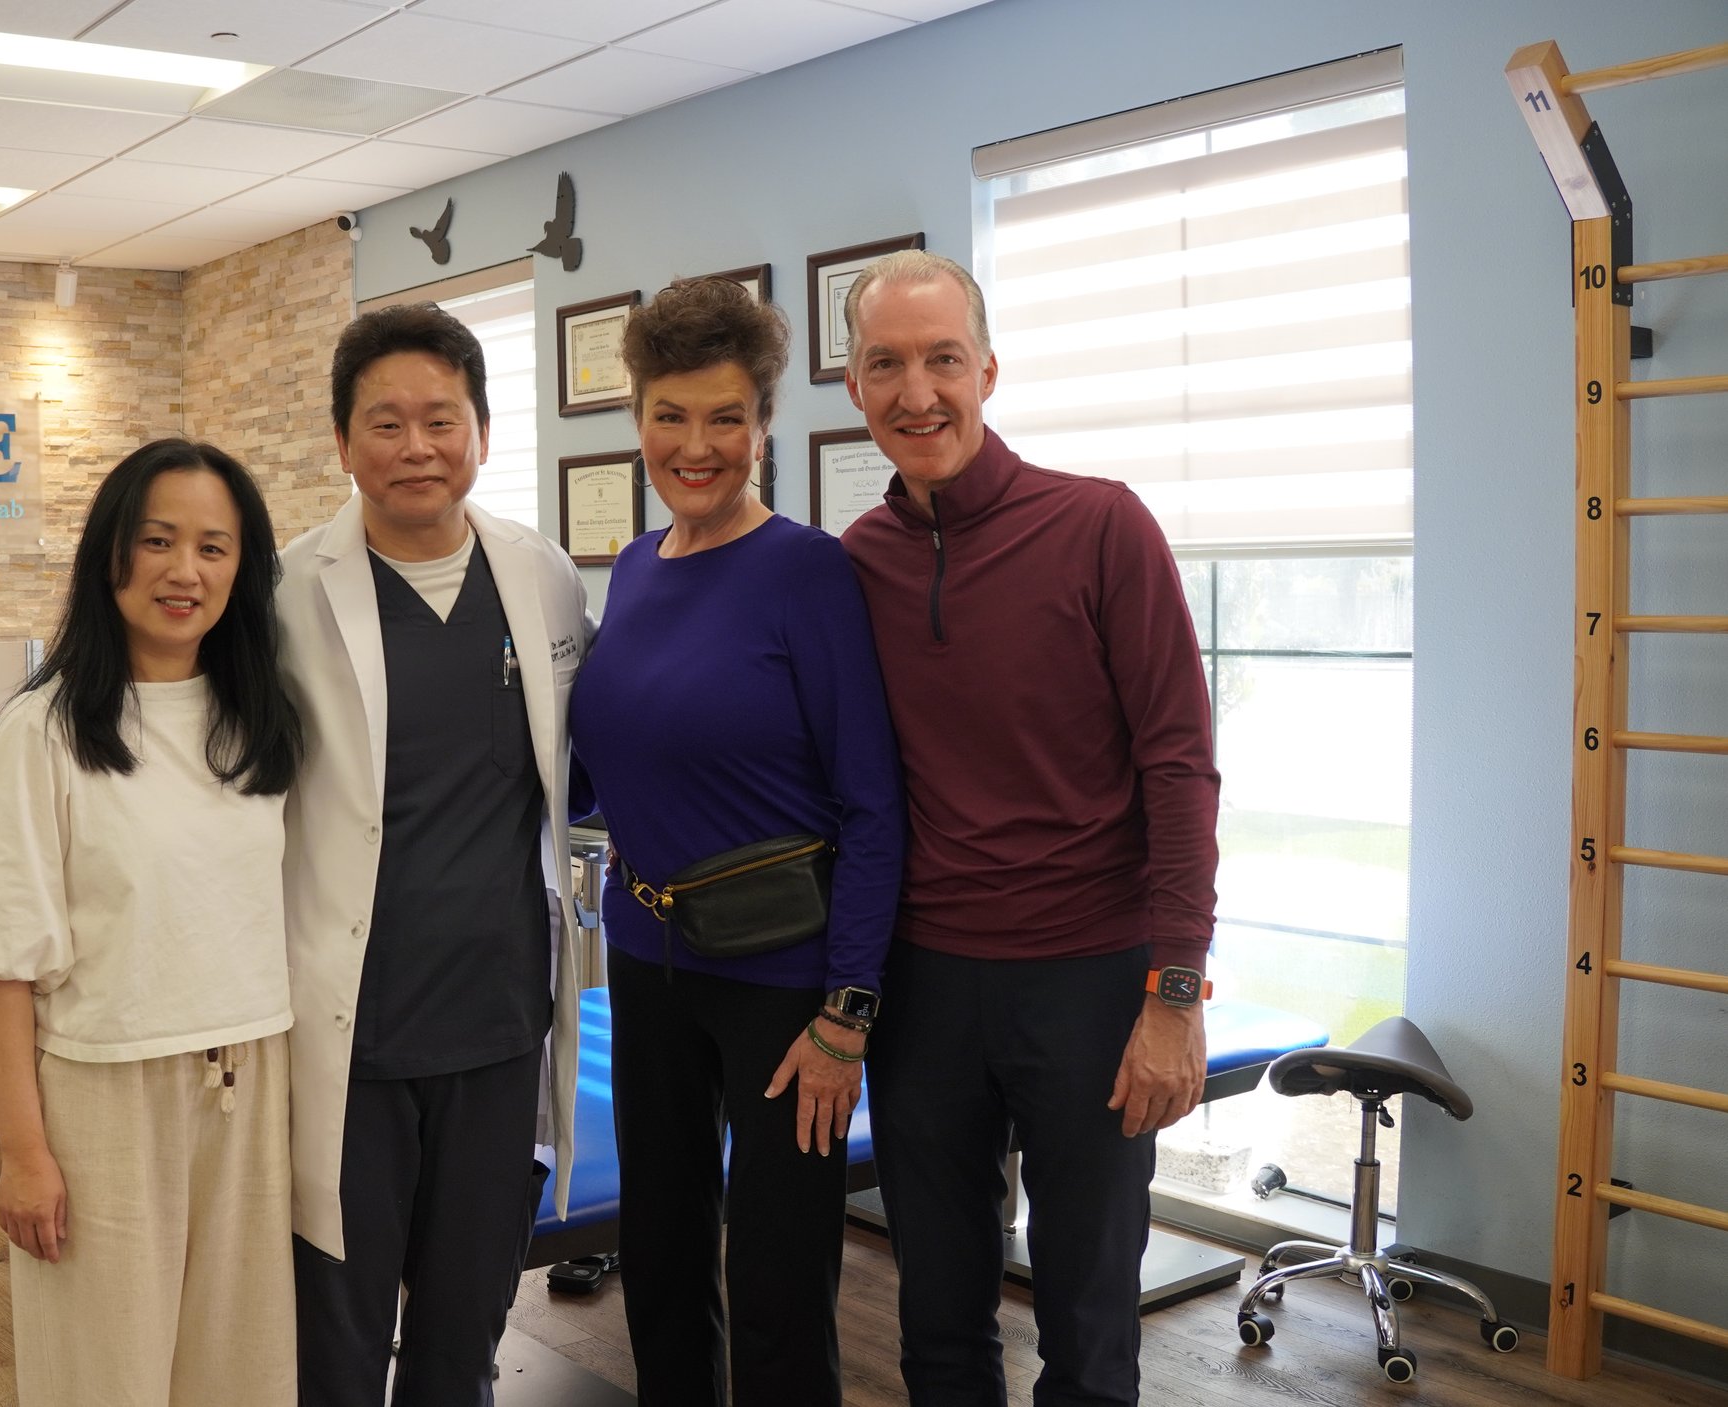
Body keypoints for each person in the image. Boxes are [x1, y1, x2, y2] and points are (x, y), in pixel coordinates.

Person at [839, 249, 1220, 1407]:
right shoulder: (854, 565)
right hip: (924, 989)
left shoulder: (1100, 526)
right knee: (937, 1318)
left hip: (1088, 983)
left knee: (1088, 1322)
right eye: (885, 365)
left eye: (942, 360)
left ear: (988, 371)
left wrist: (1174, 995)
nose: (916, 393)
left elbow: (1179, 767)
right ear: (853, 387)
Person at [567, 277, 904, 1407]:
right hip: (645, 961)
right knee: (659, 1256)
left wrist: (846, 1012)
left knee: (777, 1277)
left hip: (782, 984)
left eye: (725, 418)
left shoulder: (806, 571)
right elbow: (609, 765)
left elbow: (872, 805)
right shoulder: (634, 568)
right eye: (670, 415)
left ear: (763, 424)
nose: (695, 445)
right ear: (638, 419)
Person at [0, 438, 306, 1407]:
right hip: (105, 1095)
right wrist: (23, 1154)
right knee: (103, 1379)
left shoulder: (260, 719)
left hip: (251, 1080)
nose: (185, 571)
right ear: (111, 555)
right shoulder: (44, 731)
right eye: (158, 540)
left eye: (214, 548)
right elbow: (1, 964)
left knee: (244, 1376)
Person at [280, 302, 593, 1405]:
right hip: (352, 1032)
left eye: (441, 420)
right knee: (337, 1340)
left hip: (499, 1025)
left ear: (483, 434)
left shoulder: (541, 576)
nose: (416, 447)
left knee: (465, 1339)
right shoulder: (284, 594)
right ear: (342, 441)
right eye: (386, 423)